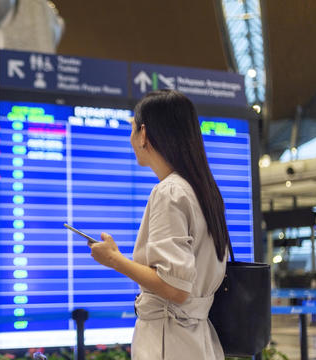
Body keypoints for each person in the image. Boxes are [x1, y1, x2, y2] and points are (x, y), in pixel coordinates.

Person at [89, 90, 229, 359]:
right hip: (196, 340)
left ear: (144, 134)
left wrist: (114, 259)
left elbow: (175, 288)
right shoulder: (203, 190)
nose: (130, 140)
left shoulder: (169, 192)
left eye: (131, 129)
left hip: (170, 342)